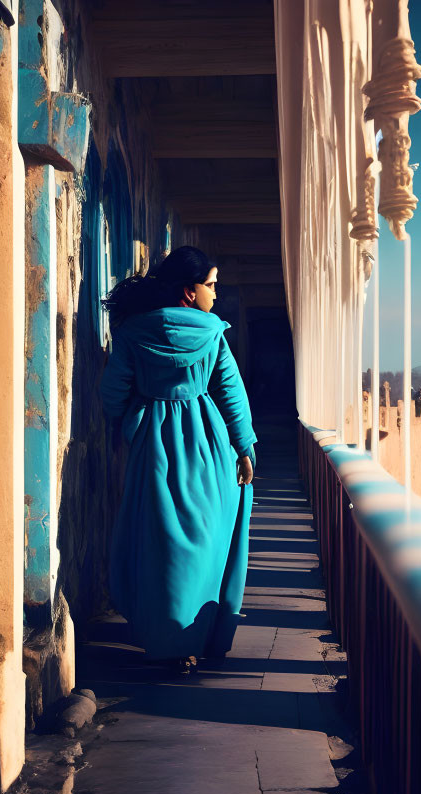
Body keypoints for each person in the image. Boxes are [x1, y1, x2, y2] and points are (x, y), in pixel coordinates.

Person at [101, 246, 256, 674]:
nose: (215, 294)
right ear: (189, 292)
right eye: (211, 285)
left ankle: (166, 639)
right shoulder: (213, 335)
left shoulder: (133, 333)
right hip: (208, 447)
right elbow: (231, 395)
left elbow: (113, 392)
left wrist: (130, 423)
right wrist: (243, 448)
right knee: (204, 544)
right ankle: (194, 635)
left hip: (153, 446)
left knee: (162, 544)